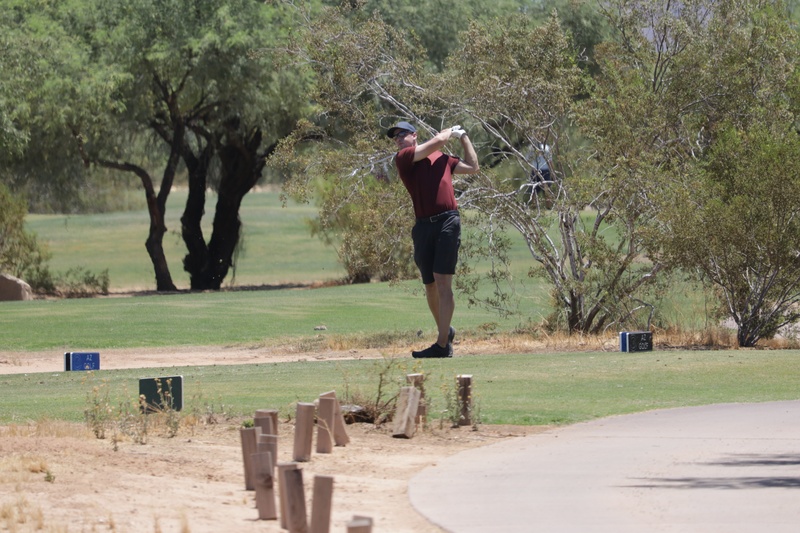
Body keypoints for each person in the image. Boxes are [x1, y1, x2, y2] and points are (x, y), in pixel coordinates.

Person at [386, 120, 480, 358]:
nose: (398, 139)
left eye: (402, 134)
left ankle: (442, 345)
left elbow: (473, 167)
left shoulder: (443, 159)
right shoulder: (404, 157)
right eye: (395, 137)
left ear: (414, 135)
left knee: (442, 282)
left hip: (448, 221)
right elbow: (437, 141)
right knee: (429, 285)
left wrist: (463, 136)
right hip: (422, 226)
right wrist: (448, 132)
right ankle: (445, 331)